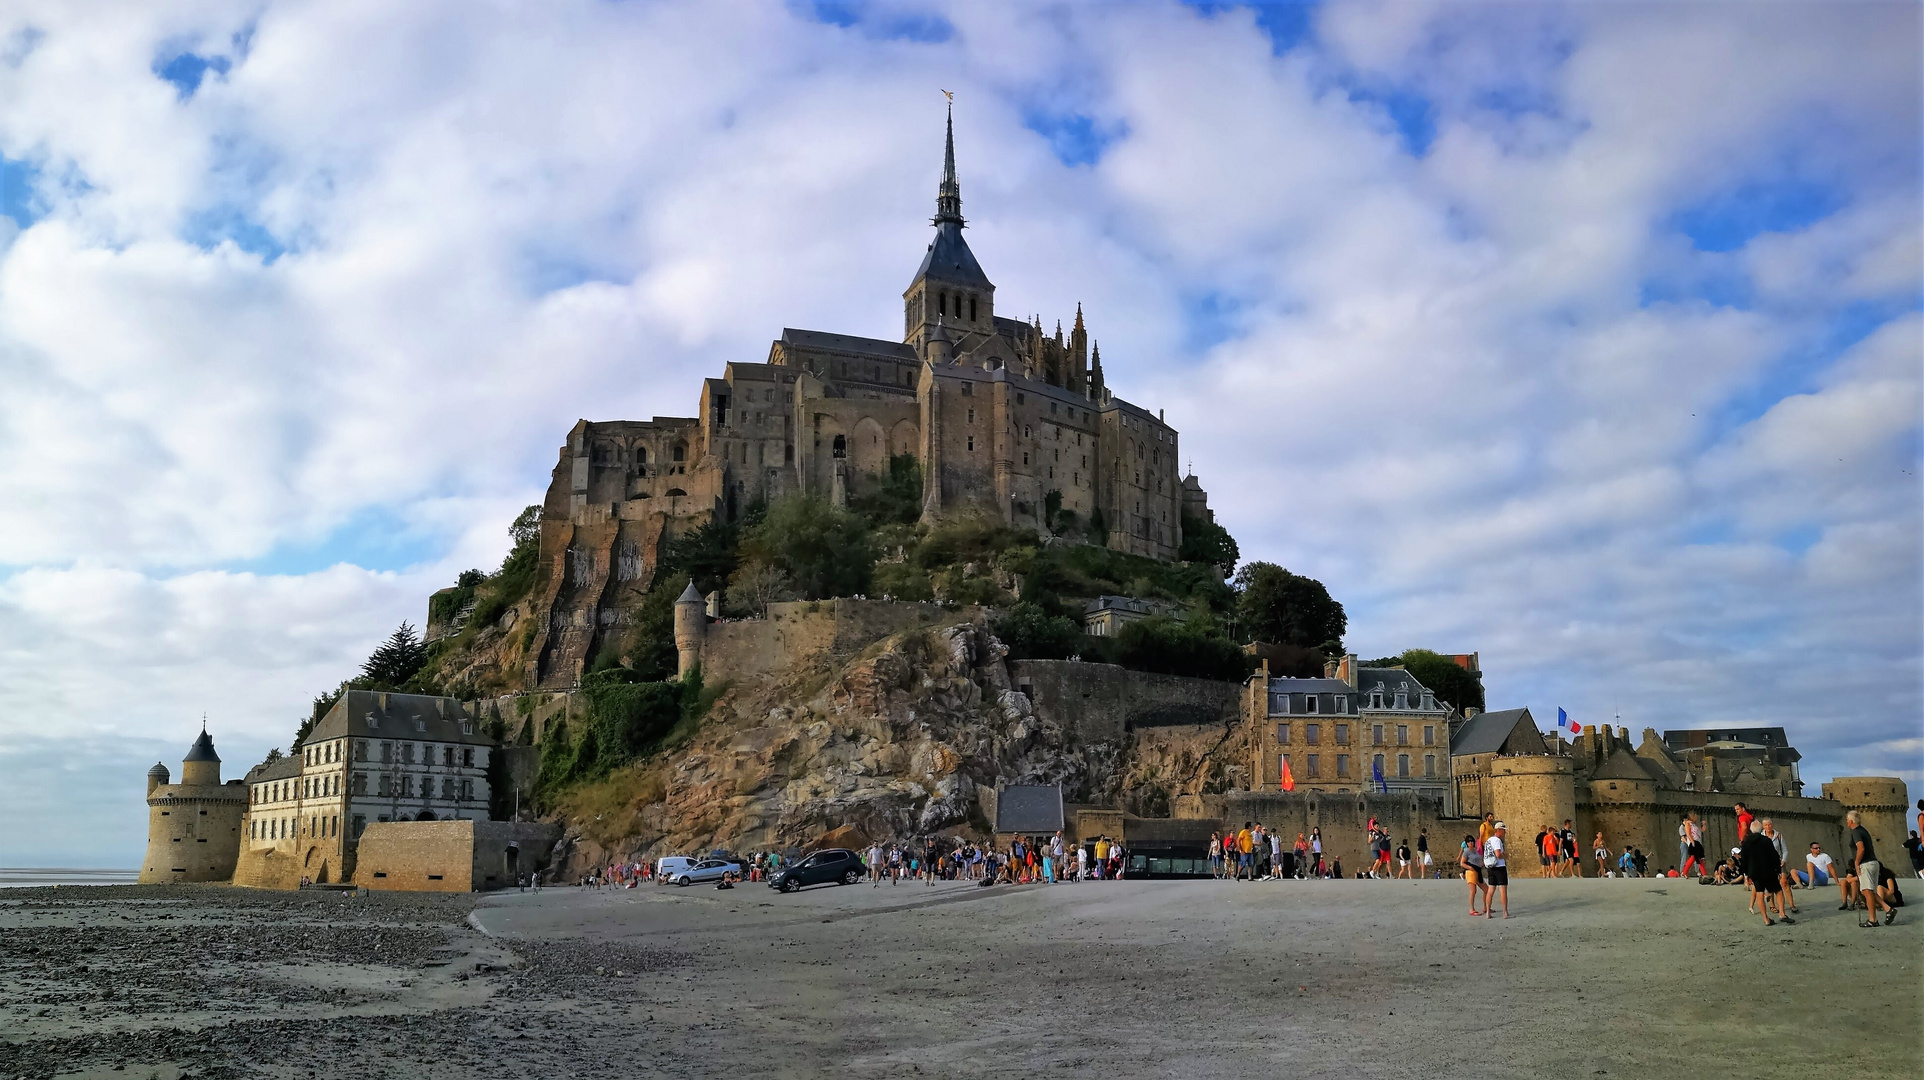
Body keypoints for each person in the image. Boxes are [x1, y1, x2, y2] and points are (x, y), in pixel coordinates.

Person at [1738, 820, 1788, 925]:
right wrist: (1778, 869)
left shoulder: (1746, 842)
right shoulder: (1766, 840)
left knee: (1759, 893)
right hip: (1768, 870)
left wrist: (1746, 874)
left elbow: (1743, 860)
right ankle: (1782, 914)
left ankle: (1766, 919)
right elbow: (1774, 855)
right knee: (1778, 890)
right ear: (1761, 829)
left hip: (1755, 872)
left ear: (1751, 830)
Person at [1847, 810, 1889, 927]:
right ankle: (1888, 909)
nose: (1846, 822)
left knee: (1866, 891)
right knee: (1869, 891)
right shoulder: (1863, 830)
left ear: (1850, 821)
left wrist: (1856, 862)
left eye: (1847, 820)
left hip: (1866, 864)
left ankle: (1873, 919)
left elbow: (1861, 848)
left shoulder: (1855, 832)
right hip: (1873, 863)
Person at [1483, 822, 1509, 918]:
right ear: (1499, 830)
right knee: (1502, 890)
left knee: (1490, 890)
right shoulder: (1497, 841)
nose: (1505, 833)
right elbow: (1498, 854)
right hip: (1499, 867)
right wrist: (1505, 856)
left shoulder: (1488, 841)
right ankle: (1505, 912)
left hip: (1491, 867)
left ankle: (1488, 913)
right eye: (1503, 830)